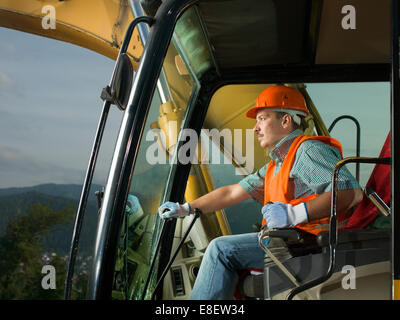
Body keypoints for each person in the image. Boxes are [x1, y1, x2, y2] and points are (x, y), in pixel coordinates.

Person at [158, 85, 363, 300]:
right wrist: (186, 208)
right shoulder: (278, 163)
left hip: (307, 245)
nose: (255, 128)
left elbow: (349, 193)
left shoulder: (307, 151)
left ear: (286, 121)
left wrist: (294, 214)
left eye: (262, 118)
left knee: (221, 250)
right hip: (289, 241)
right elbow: (232, 192)